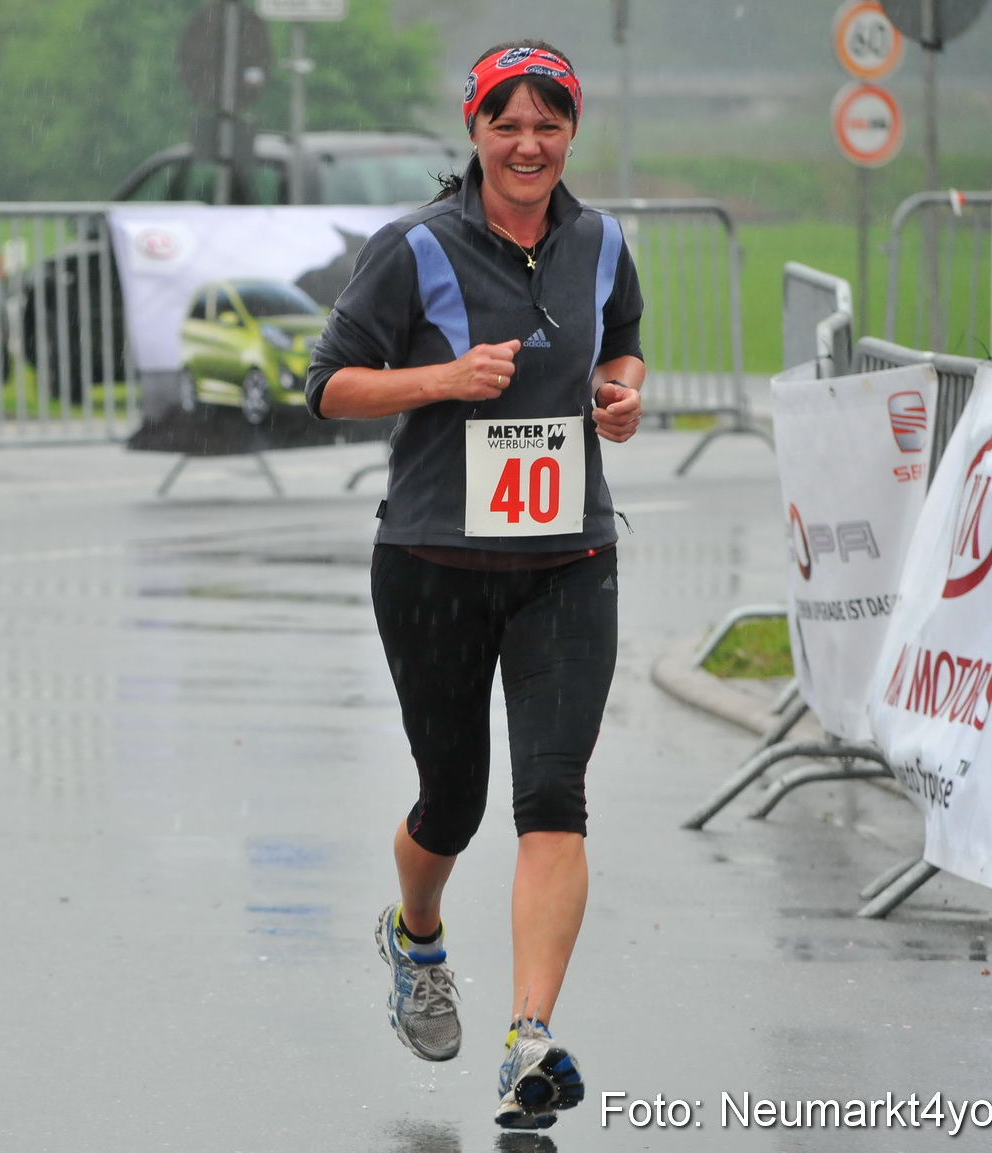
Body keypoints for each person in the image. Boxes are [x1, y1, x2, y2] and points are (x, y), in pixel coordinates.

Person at [303, 40, 644, 1131]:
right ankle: (416, 935)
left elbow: (624, 346)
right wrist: (442, 380)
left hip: (568, 562)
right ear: (474, 131)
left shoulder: (600, 243)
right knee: (451, 801)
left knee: (552, 797)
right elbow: (328, 388)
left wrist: (622, 391)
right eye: (508, 124)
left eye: (549, 124)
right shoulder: (410, 248)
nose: (528, 144)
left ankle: (528, 1039)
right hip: (434, 563)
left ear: (571, 133)